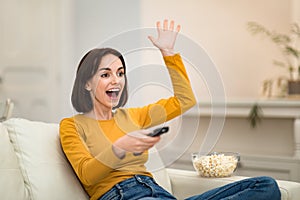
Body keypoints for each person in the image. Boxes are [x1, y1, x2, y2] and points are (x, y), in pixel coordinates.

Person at [59, 19, 281, 200]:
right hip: (121, 195)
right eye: (105, 74)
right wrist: (120, 146)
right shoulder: (72, 126)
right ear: (86, 83)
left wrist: (168, 54)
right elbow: (87, 175)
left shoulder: (133, 115)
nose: (116, 80)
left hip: (158, 193)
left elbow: (184, 101)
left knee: (265, 186)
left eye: (120, 73)